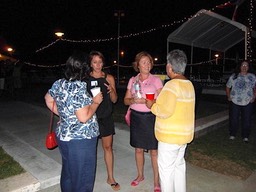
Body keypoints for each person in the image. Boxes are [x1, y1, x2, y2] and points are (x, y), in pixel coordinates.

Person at [45, 50, 103, 192]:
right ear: (84, 68)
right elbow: (83, 117)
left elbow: (48, 99)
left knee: (69, 173)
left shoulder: (59, 83)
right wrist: (95, 102)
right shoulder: (79, 88)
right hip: (81, 140)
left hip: (64, 137)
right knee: (83, 178)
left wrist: (65, 116)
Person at [146, 49, 195, 192]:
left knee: (166, 172)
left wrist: (152, 105)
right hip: (183, 137)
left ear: (169, 67)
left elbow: (164, 111)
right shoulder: (189, 84)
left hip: (169, 138)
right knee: (179, 167)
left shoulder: (171, 85)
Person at [124, 51, 163, 192]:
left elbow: (163, 100)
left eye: (149, 62)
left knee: (154, 151)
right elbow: (125, 100)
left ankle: (156, 181)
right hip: (136, 117)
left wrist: (149, 101)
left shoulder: (156, 80)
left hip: (151, 118)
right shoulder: (132, 80)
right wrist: (133, 100)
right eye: (144, 62)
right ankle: (140, 176)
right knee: (138, 149)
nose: (147, 64)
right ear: (138, 65)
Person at [86, 51, 120, 191]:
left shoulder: (109, 78)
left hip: (106, 117)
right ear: (90, 63)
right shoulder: (84, 79)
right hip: (90, 117)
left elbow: (115, 100)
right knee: (89, 150)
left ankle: (110, 177)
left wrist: (112, 90)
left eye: (100, 62)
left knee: (108, 148)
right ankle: (86, 178)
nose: (98, 65)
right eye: (95, 62)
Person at [226, 60, 256, 142]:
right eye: (243, 65)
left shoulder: (252, 77)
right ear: (239, 66)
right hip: (235, 101)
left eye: (246, 66)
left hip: (248, 101)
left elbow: (254, 88)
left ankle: (245, 136)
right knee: (234, 119)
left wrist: (254, 97)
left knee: (247, 119)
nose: (244, 67)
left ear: (249, 67)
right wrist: (229, 96)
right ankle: (232, 134)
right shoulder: (234, 76)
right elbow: (228, 86)